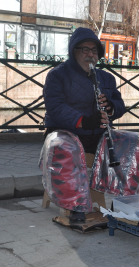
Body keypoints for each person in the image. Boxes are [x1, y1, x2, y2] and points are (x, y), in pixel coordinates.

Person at [42, 27, 125, 222]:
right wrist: (83, 120)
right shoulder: (58, 75)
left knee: (133, 143)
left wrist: (111, 107)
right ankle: (74, 205)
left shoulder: (106, 78)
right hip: (65, 131)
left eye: (94, 50)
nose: (90, 54)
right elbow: (55, 107)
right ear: (74, 51)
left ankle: (125, 202)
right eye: (85, 49)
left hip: (97, 133)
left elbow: (120, 104)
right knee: (68, 148)